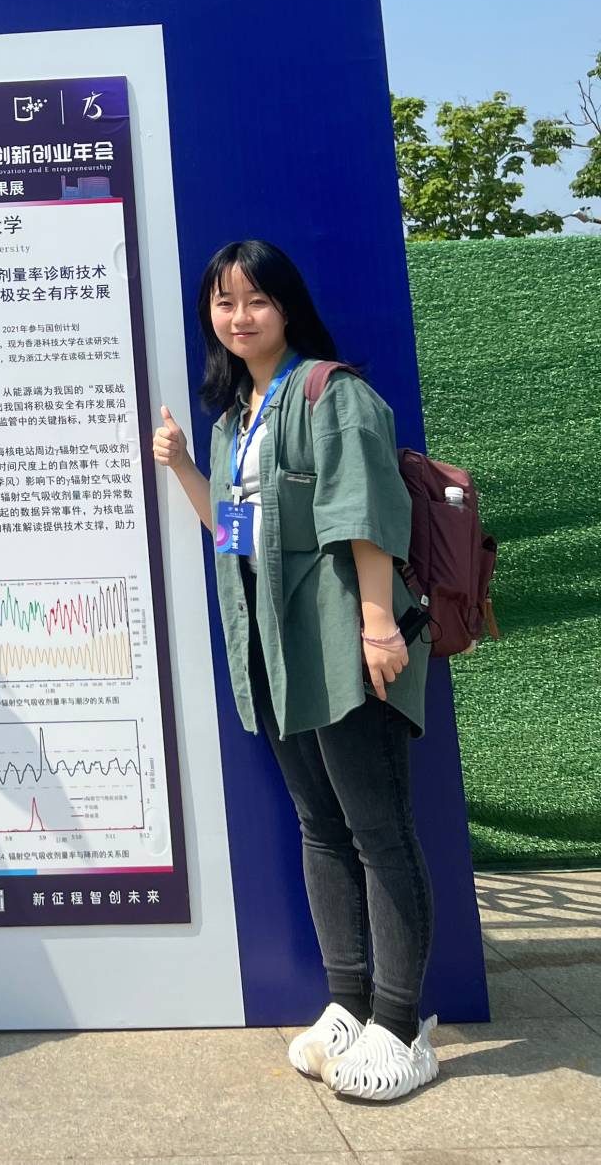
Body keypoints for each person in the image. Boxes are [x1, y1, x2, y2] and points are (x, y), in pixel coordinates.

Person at [153, 240, 438, 1102]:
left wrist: (378, 627)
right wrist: (184, 467)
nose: (239, 317)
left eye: (256, 300)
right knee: (321, 827)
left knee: (379, 830)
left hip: (344, 646)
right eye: (223, 302)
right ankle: (349, 1001)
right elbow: (231, 533)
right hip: (275, 655)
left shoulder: (330, 393)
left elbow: (366, 514)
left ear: (287, 307)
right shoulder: (234, 419)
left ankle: (402, 1025)